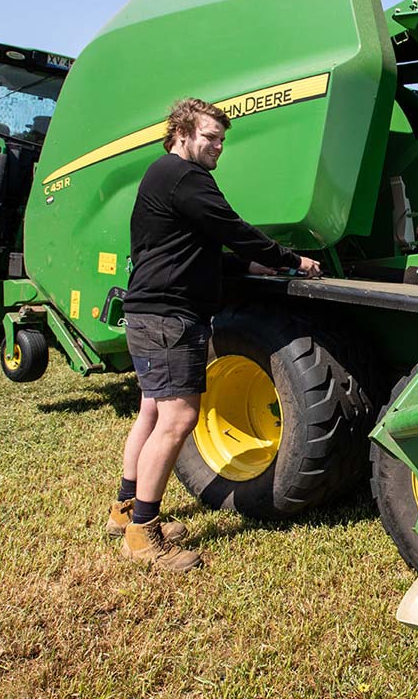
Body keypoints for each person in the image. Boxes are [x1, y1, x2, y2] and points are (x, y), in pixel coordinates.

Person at [104, 98, 322, 572]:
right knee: (178, 419)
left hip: (149, 313)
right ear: (182, 132)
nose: (218, 147)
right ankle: (143, 534)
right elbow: (231, 229)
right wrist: (290, 259)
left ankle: (124, 510)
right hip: (169, 319)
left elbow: (194, 249)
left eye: (222, 140)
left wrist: (251, 264)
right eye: (210, 137)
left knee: (151, 411)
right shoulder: (187, 177)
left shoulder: (161, 176)